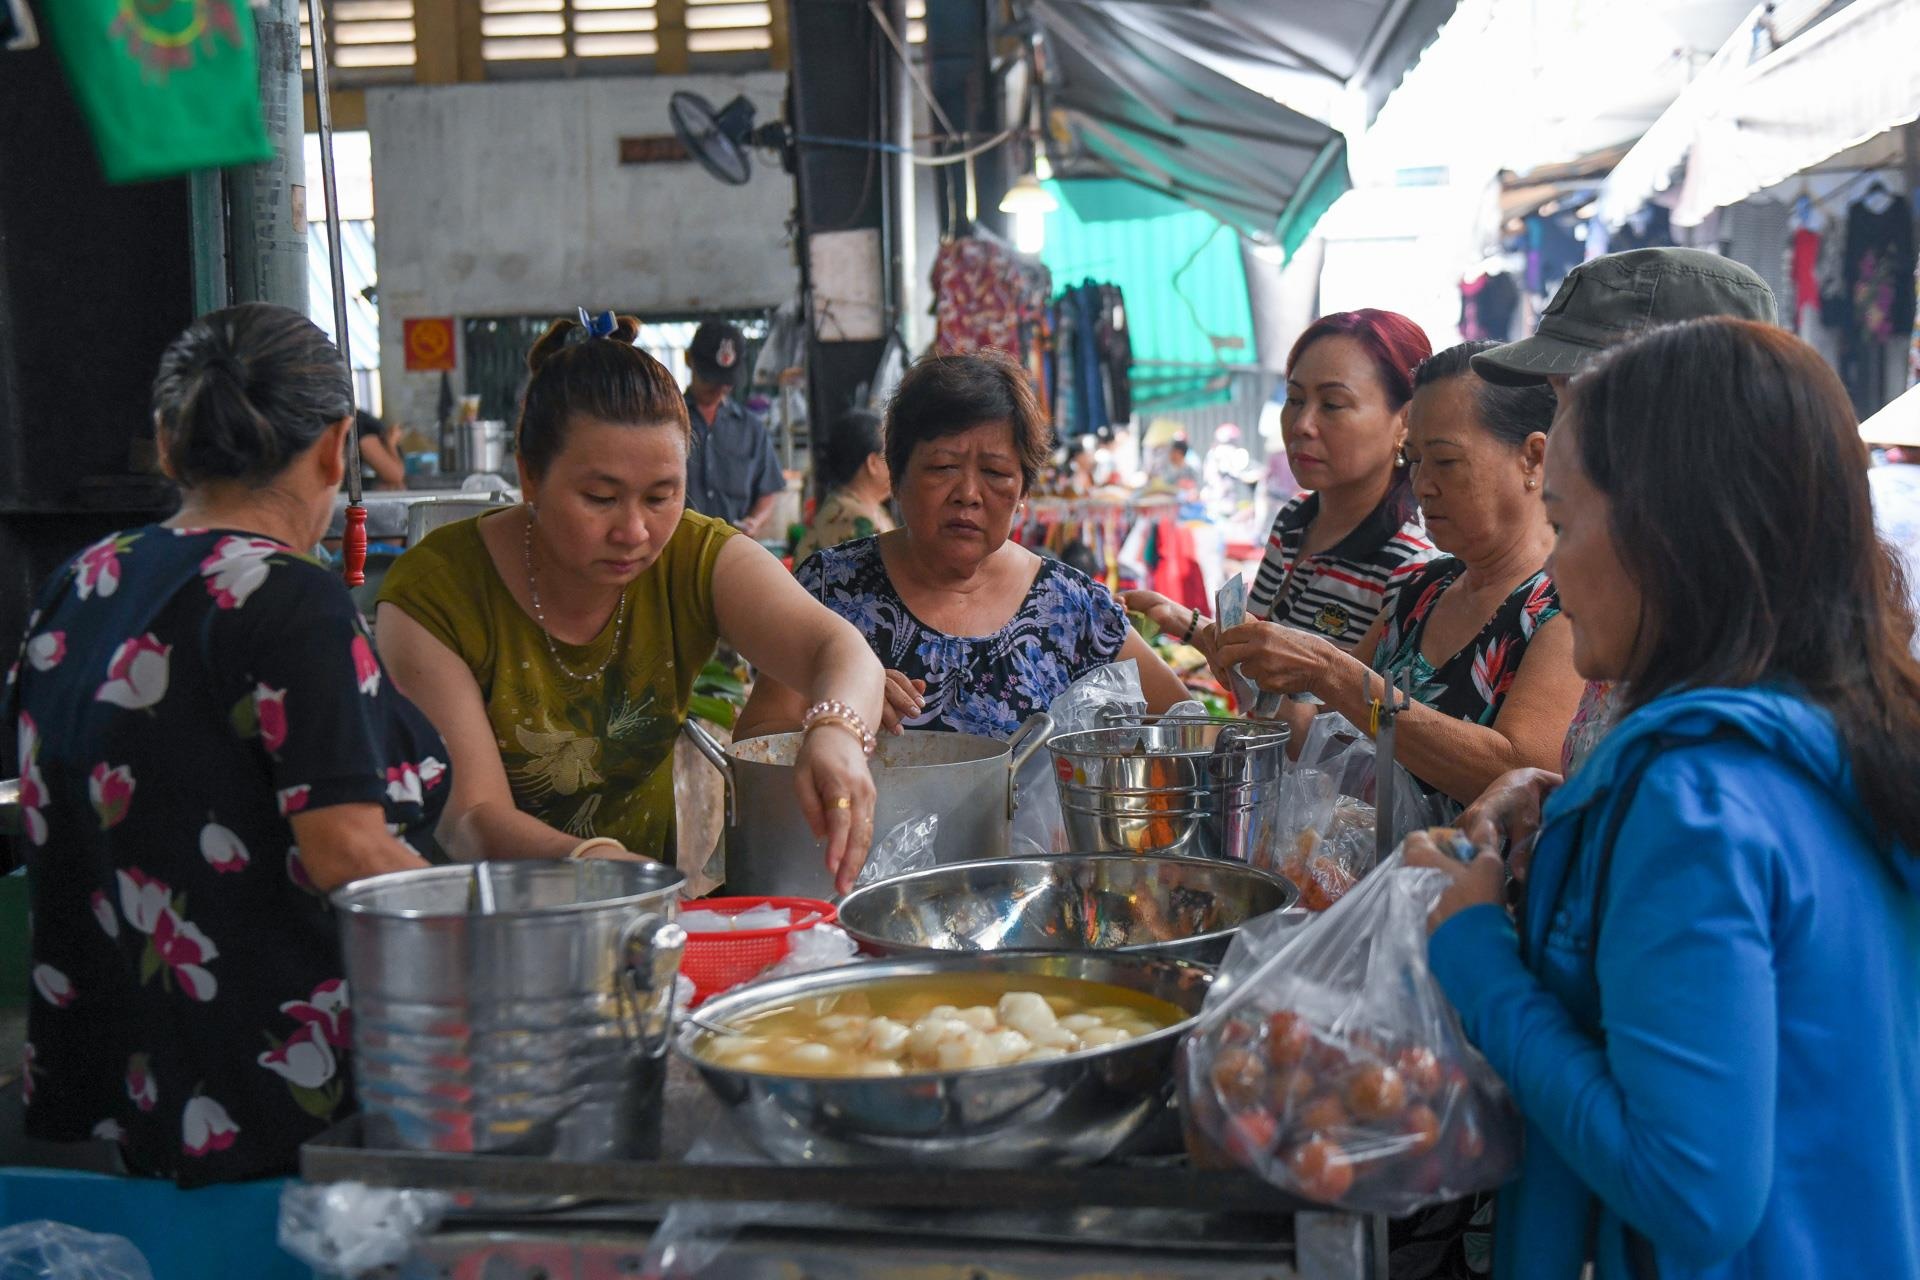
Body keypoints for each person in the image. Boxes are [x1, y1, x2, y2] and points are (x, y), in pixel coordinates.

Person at [1408, 318, 1920, 1280]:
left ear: (1668, 532)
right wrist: (1569, 820)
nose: (1552, 570)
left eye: (1563, 522)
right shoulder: (1846, 726)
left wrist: (1471, 946)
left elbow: (1688, 1188)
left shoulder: (1695, 797)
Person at [8, 304, 440, 1184]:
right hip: (280, 1091)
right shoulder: (290, 602)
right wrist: (515, 939)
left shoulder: (83, 583)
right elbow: (347, 849)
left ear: (169, 445)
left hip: (139, 1081)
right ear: (335, 448)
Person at [376, 315, 885, 892]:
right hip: (483, 926)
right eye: (600, 498)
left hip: (638, 925)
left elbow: (839, 649)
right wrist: (594, 862)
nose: (635, 531)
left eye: (661, 496)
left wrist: (837, 732)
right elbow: (471, 819)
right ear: (529, 476)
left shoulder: (693, 556)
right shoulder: (438, 592)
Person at [1452, 248, 1779, 845]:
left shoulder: (1728, 734)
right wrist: (1563, 805)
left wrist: (1470, 925)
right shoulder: (1640, 621)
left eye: (1577, 394)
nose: (1559, 430)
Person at [737, 350, 1189, 740]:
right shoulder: (830, 589)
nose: (968, 493)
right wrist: (841, 713)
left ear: (1023, 491)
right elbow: (758, 742)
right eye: (942, 467)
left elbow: (1184, 726)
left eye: (995, 473)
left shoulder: (1070, 608)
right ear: (897, 475)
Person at [1213, 343, 1582, 810]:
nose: (1422, 485)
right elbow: (1325, 727)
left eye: (1445, 461)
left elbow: (1522, 776)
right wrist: (1257, 667)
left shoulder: (1568, 606)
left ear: (1532, 457)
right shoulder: (1421, 594)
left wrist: (1330, 670)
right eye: (1415, 461)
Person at [1128, 310, 1437, 661]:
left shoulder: (1412, 566)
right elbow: (1258, 673)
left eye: (1333, 404)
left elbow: (1376, 709)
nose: (1302, 424)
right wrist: (1180, 620)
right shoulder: (1293, 520)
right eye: (1295, 399)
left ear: (1406, 421)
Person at [682, 320, 784, 538]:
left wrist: (754, 521)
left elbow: (768, 489)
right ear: (688, 359)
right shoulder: (666, 423)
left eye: (725, 383)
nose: (718, 390)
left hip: (732, 550)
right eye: (710, 380)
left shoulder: (751, 428)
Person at [793, 408, 894, 564]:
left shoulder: (866, 509)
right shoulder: (854, 518)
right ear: (872, 463)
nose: (897, 464)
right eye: (891, 454)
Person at [354, 408, 407, 491]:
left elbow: (396, 477)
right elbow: (395, 476)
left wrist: (391, 444)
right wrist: (391, 444)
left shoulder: (365, 427)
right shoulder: (364, 429)